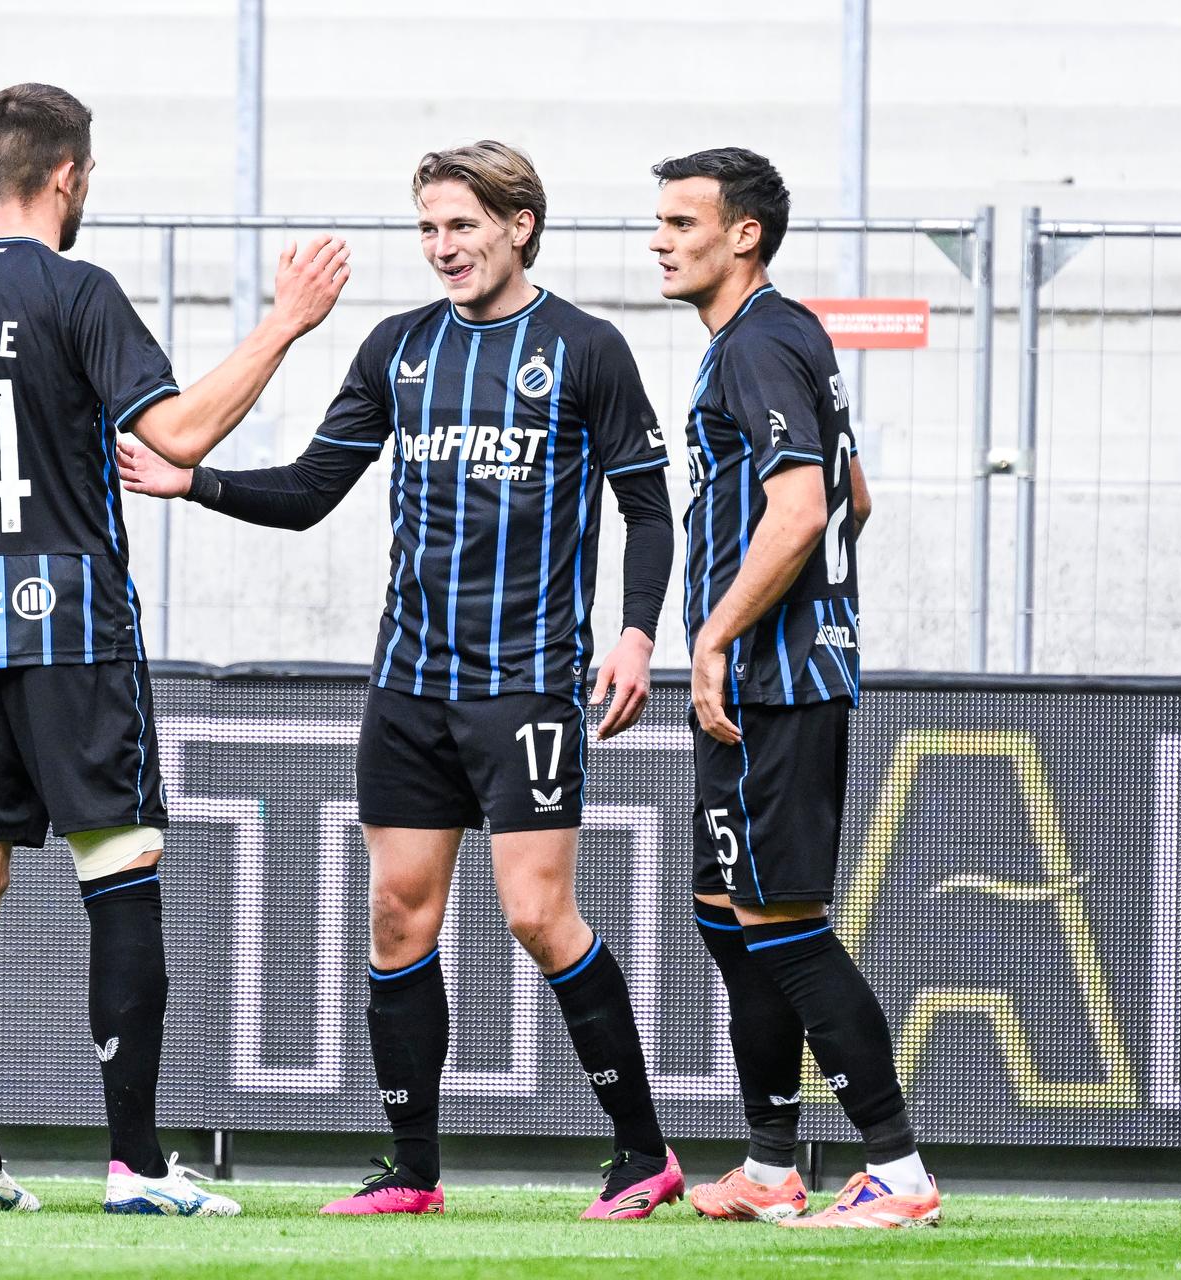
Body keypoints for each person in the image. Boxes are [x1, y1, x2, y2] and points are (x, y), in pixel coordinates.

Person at [119, 141, 681, 1220]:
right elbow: (316, 487)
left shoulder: (585, 348)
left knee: (536, 914)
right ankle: (414, 1169)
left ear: (520, 224)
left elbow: (649, 508)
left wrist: (637, 634)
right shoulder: (398, 350)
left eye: (462, 225)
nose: (442, 247)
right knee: (397, 919)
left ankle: (643, 1150)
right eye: (427, 228)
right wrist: (198, 482)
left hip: (526, 687)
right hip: (409, 686)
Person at [0, 82, 347, 1215]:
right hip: (71, 630)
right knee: (119, 873)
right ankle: (135, 1163)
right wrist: (284, 322)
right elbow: (170, 434)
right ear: (70, 175)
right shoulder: (76, 290)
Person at [649, 146, 940, 1228]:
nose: (660, 239)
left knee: (783, 924)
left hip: (770, 682)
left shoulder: (758, 344)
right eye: (661, 220)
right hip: (774, 674)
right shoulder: (784, 333)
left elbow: (806, 506)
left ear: (744, 235)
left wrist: (721, 634)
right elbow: (856, 492)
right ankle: (772, 1161)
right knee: (726, 915)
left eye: (683, 222)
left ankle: (898, 1171)